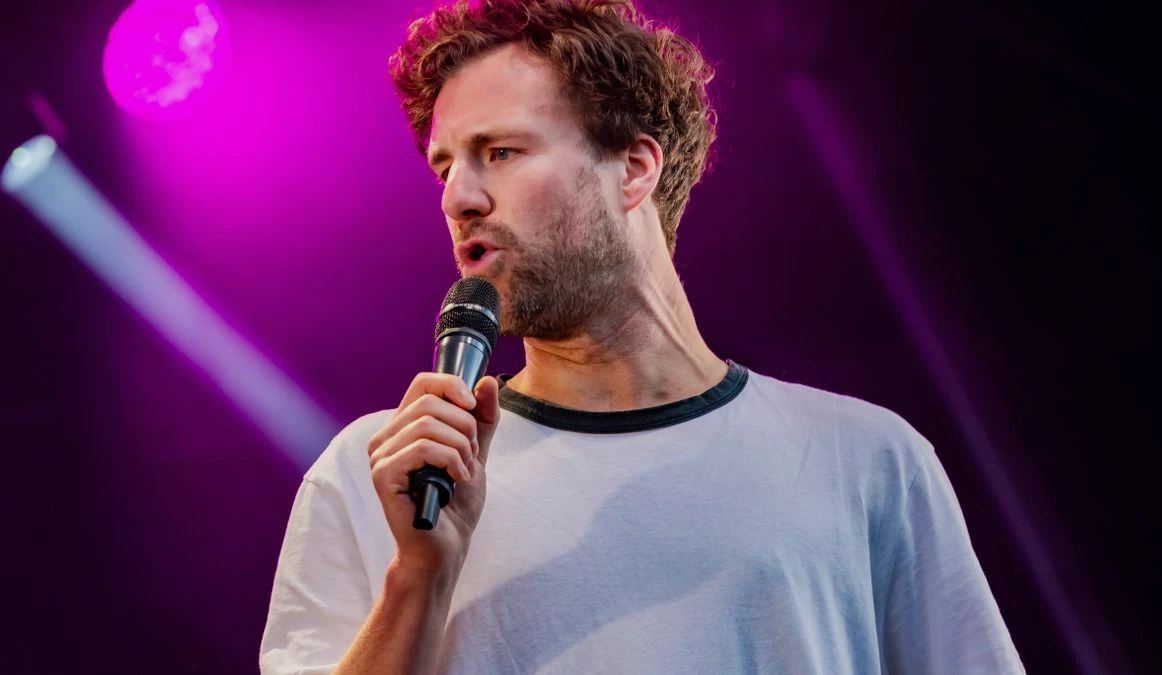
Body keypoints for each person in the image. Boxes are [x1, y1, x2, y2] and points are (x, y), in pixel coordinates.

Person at [260, 0, 1025, 672]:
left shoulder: (865, 459)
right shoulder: (381, 475)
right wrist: (418, 578)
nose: (457, 197)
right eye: (444, 168)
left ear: (633, 168)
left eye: (500, 152)